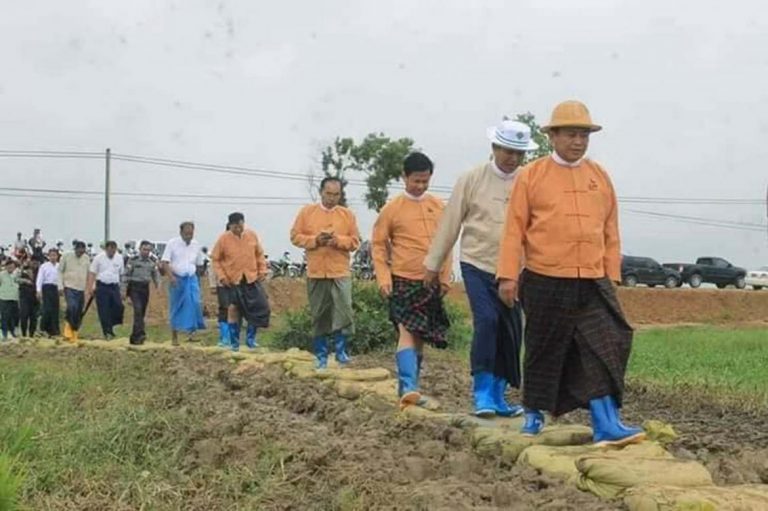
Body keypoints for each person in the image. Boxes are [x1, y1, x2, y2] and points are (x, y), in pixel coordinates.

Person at [496, 100, 644, 446]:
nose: (578, 142)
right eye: (572, 134)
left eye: (584, 135)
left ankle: (607, 423)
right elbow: (513, 230)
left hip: (592, 279)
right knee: (544, 348)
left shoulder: (599, 176)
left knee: (607, 342)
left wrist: (612, 274)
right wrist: (507, 275)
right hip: (545, 276)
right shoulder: (532, 175)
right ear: (553, 136)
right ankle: (533, 411)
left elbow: (610, 229)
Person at [424, 118, 538, 417]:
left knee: (511, 331)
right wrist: (433, 265)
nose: (513, 158)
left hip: (516, 269)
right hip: (477, 263)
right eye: (507, 151)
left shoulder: (529, 180)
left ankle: (500, 395)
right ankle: (483, 393)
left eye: (519, 153)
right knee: (487, 321)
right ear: (494, 147)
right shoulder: (471, 178)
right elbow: (450, 223)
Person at [372, 152, 452, 409]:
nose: (420, 186)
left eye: (425, 181)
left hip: (430, 281)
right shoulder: (391, 209)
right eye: (416, 181)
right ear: (404, 177)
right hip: (403, 279)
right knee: (406, 330)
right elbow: (379, 246)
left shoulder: (439, 206)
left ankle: (408, 387)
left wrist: (445, 274)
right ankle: (409, 386)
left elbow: (447, 242)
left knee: (419, 336)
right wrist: (383, 278)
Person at [290, 177, 360, 368]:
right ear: (321, 192)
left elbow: (355, 241)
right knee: (320, 313)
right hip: (317, 271)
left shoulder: (347, 215)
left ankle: (341, 350)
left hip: (340, 270)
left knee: (344, 308)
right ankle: (321, 354)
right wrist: (315, 240)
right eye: (328, 194)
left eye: (336, 194)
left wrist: (337, 241)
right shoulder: (307, 213)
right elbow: (295, 236)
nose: (332, 198)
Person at [211, 212, 270, 352]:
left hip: (251, 278)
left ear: (243, 223)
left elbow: (259, 254)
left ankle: (250, 339)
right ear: (230, 225)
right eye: (235, 226)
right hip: (232, 280)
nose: (238, 229)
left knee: (260, 307)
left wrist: (262, 270)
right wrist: (222, 276)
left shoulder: (251, 235)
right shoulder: (223, 239)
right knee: (233, 309)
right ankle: (234, 342)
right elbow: (215, 259)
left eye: (240, 225)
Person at [161, 222, 206, 346]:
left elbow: (199, 264)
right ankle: (174, 337)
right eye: (186, 234)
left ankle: (191, 334)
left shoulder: (196, 245)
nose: (189, 236)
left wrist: (199, 278)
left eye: (191, 234)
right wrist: (171, 277)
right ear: (181, 232)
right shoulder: (172, 243)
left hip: (191, 278)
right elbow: (164, 262)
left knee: (194, 303)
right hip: (177, 279)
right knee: (176, 306)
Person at [86, 241, 125, 340]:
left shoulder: (119, 258)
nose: (111, 252)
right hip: (102, 286)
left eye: (113, 249)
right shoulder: (99, 258)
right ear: (106, 249)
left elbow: (122, 274)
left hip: (114, 286)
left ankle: (112, 325)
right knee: (104, 310)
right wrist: (90, 287)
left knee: (118, 306)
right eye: (110, 249)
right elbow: (92, 272)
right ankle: (107, 332)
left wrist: (123, 289)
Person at [125, 241, 160, 345]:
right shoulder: (133, 260)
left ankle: (135, 336)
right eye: (144, 249)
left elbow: (155, 274)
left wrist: (158, 286)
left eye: (148, 250)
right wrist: (124, 291)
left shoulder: (152, 261)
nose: (146, 252)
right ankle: (140, 335)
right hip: (134, 288)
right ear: (140, 249)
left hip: (145, 289)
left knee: (141, 314)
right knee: (138, 311)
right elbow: (126, 275)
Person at [58, 241, 90, 342]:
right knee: (72, 307)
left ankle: (74, 332)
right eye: (79, 251)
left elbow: (89, 273)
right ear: (75, 249)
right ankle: (68, 329)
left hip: (81, 288)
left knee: (78, 311)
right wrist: (60, 286)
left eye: (82, 252)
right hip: (69, 286)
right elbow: (60, 271)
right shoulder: (66, 256)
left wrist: (90, 287)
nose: (80, 253)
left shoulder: (86, 258)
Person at [36, 248, 60, 337]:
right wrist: (38, 290)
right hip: (46, 287)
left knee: (55, 310)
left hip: (55, 288)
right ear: (48, 256)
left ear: (57, 256)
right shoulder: (44, 266)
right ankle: (42, 328)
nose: (53, 257)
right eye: (51, 255)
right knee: (47, 309)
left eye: (55, 255)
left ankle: (54, 331)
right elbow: (40, 279)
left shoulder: (59, 266)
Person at [18, 257, 39, 337]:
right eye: (33, 262)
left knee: (34, 317)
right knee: (24, 316)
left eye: (36, 263)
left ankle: (31, 334)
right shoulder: (23, 270)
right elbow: (16, 279)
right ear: (30, 262)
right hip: (24, 296)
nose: (35, 264)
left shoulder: (40, 272)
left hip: (35, 298)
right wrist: (25, 281)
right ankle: (23, 334)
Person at [0, 259, 20, 340]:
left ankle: (12, 332)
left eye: (12, 267)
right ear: (5, 267)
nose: (10, 268)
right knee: (5, 317)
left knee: (13, 317)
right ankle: (4, 334)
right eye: (9, 266)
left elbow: (18, 282)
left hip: (14, 298)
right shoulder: (1, 275)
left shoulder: (16, 275)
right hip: (4, 298)